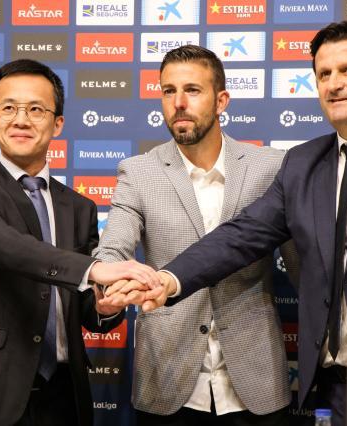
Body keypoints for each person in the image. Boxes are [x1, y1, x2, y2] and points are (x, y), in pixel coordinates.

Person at [103, 21, 347, 425]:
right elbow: (241, 236)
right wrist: (169, 280)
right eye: (324, 74)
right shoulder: (302, 163)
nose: (334, 84)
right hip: (334, 386)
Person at [0, 59, 159, 426]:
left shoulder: (79, 207)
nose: (21, 120)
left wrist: (106, 306)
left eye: (36, 109)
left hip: (64, 397)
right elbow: (11, 248)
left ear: (58, 123)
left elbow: (87, 310)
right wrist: (95, 268)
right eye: (8, 108)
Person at [94, 45, 295, 426]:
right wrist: (108, 289)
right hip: (167, 380)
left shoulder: (271, 166)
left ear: (221, 100)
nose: (179, 103)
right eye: (168, 91)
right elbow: (113, 248)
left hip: (256, 382)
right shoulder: (138, 172)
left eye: (192, 90)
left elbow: (305, 265)